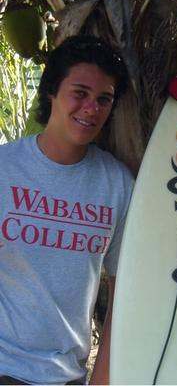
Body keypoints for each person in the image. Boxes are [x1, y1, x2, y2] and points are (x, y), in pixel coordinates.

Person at [0, 35, 134, 385]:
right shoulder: (4, 169)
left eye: (103, 99)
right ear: (51, 93)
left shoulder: (117, 184)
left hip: (69, 376)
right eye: (80, 93)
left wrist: (102, 379)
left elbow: (122, 292)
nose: (92, 108)